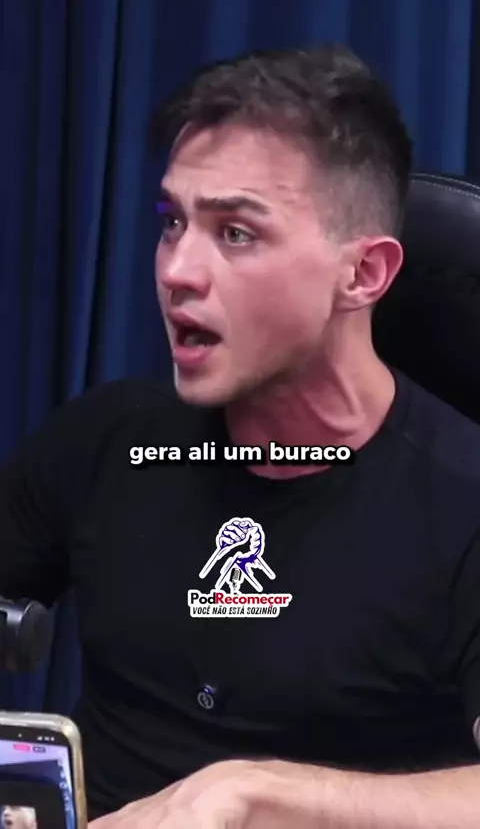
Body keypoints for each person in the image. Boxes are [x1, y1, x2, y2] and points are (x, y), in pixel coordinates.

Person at [1, 43, 480, 829]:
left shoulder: (463, 501)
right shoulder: (105, 440)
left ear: (363, 274)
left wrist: (256, 793)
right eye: (172, 224)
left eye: (235, 233)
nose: (177, 271)